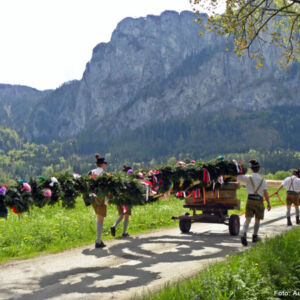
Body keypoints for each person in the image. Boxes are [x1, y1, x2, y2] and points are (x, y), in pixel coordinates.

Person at [237, 159, 271, 246]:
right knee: (257, 220)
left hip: (250, 200)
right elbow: (265, 193)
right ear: (258, 169)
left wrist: (241, 167)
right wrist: (268, 203)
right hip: (259, 201)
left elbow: (238, 177)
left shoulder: (248, 178)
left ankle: (244, 233)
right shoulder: (263, 180)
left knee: (248, 219)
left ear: (251, 169)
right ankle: (255, 236)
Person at [90, 153, 108, 248]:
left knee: (98, 217)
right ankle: (98, 241)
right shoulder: (103, 174)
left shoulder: (91, 172)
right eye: (105, 164)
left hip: (92, 197)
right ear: (103, 164)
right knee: (100, 218)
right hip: (100, 197)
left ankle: (99, 240)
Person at [110, 165, 132, 237]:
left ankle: (114, 226)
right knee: (126, 215)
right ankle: (124, 232)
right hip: (126, 199)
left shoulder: (119, 178)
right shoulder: (129, 179)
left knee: (121, 215)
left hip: (119, 199)